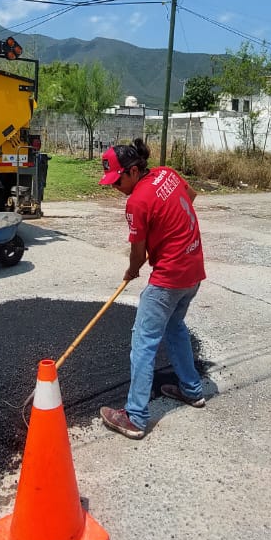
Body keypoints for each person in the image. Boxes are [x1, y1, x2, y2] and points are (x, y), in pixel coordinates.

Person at [97, 138, 207, 440]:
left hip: (169, 279)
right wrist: (170, 231)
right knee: (175, 327)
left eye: (117, 180)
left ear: (133, 171)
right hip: (193, 271)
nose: (115, 187)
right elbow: (192, 196)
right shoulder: (167, 174)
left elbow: (137, 253)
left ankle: (134, 416)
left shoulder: (137, 202)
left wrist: (133, 270)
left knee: (143, 344)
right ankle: (192, 390)